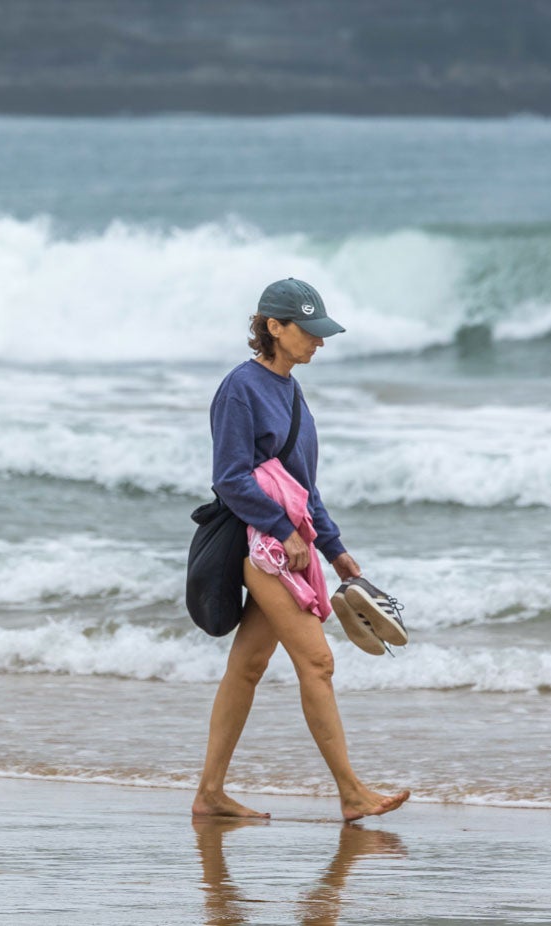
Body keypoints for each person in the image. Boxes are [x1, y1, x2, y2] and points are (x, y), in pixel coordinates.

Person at [192, 278, 409, 822]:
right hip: (261, 546)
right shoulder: (240, 388)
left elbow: (304, 487)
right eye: (308, 331)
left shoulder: (289, 390)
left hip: (292, 544)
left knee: (247, 666)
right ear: (273, 327)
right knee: (317, 660)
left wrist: (334, 548)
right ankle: (352, 793)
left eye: (321, 332)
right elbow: (231, 478)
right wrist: (278, 528)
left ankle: (210, 794)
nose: (319, 341)